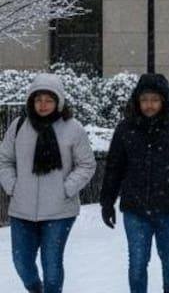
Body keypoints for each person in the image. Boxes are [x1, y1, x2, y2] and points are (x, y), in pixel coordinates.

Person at [100, 73, 169, 293]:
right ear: (137, 101)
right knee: (137, 262)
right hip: (135, 208)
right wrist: (107, 202)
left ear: (164, 101)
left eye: (155, 100)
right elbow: (114, 168)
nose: (149, 105)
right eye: (145, 100)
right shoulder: (125, 129)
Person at [0, 73, 96, 293]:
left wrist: (66, 188)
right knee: (22, 263)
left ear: (58, 102)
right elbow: (4, 159)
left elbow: (87, 165)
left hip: (59, 211)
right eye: (38, 99)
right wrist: (13, 186)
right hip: (22, 210)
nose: (43, 105)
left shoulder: (73, 128)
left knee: (52, 268)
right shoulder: (18, 126)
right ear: (31, 101)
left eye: (49, 100)